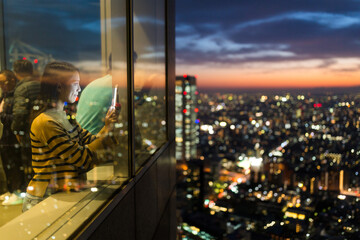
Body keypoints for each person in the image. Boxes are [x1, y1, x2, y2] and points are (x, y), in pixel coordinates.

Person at [22, 62, 118, 212]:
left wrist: (107, 126)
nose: (79, 89)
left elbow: (91, 141)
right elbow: (82, 159)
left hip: (61, 195)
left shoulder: (65, 116)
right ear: (59, 87)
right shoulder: (46, 122)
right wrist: (106, 131)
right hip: (46, 199)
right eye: (75, 84)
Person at [11, 59, 40, 189]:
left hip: (29, 132)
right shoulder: (41, 84)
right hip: (44, 128)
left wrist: (17, 131)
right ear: (31, 71)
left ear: (16, 73)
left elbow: (20, 113)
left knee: (30, 165)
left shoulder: (22, 88)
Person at [0, 70, 23, 205]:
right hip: (6, 136)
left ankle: (18, 191)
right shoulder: (5, 96)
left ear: (12, 81)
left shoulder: (15, 97)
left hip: (14, 136)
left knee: (15, 164)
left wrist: (1, 115)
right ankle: (10, 190)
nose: (1, 85)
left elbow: (16, 119)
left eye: (3, 82)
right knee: (7, 162)